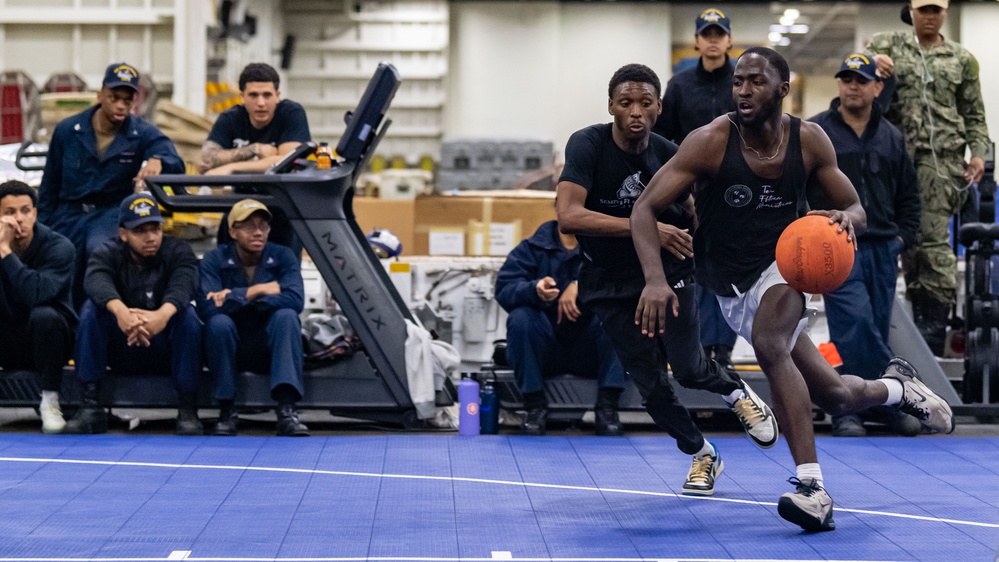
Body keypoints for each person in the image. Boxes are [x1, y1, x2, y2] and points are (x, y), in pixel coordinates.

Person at [631, 47, 954, 532]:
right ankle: (896, 387)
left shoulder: (809, 140)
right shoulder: (710, 141)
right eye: (737, 81)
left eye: (755, 82)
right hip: (728, 284)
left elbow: (856, 207)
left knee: (768, 344)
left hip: (787, 268)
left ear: (783, 89)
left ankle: (812, 488)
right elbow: (642, 210)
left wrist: (847, 218)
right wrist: (655, 279)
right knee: (837, 397)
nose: (742, 90)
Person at [556, 63, 779, 497]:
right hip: (609, 280)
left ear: (659, 107)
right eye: (625, 104)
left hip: (668, 273)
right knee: (652, 388)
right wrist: (644, 226)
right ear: (611, 108)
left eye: (644, 103)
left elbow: (697, 213)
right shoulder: (587, 144)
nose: (635, 112)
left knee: (691, 369)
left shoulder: (671, 153)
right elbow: (568, 216)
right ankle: (702, 454)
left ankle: (736, 392)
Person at [809, 53, 923, 438]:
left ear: (878, 87)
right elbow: (799, 190)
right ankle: (892, 398)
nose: (852, 86)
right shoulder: (817, 132)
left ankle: (854, 408)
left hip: (882, 248)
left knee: (870, 326)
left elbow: (909, 195)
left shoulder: (891, 135)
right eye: (846, 79)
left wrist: (901, 239)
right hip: (837, 244)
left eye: (861, 80)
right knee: (854, 321)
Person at [868, 0, 991, 355]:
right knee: (902, 244)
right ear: (911, 12)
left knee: (934, 248)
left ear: (946, 13)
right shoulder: (887, 45)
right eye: (924, 10)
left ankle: (932, 339)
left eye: (936, 10)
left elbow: (973, 113)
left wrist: (981, 153)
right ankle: (895, 338)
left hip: (941, 166)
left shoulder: (962, 59)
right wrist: (875, 66)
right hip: (892, 164)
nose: (930, 17)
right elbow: (860, 77)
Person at [37, 62, 185, 308]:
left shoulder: (141, 133)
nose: (121, 105)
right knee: (59, 258)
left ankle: (97, 320)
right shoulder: (67, 130)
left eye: (127, 100)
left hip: (109, 213)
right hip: (68, 212)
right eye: (114, 97)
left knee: (100, 252)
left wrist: (158, 160)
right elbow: (49, 185)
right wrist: (41, 227)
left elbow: (174, 161)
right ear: (100, 95)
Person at [64, 193, 203, 436]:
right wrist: (122, 314)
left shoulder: (178, 250)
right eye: (140, 231)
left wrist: (161, 316)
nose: (151, 237)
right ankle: (90, 405)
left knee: (187, 315)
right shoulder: (106, 252)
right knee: (90, 311)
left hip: (164, 347)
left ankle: (188, 407)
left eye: (155, 229)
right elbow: (95, 281)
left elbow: (184, 285)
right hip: (122, 345)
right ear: (123, 234)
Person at [653, 7, 739, 370]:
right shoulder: (680, 86)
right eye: (708, 34)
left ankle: (725, 350)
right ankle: (701, 349)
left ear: (730, 40)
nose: (714, 40)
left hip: (738, 190)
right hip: (692, 194)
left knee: (732, 270)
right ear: (697, 41)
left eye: (720, 34)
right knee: (697, 268)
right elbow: (664, 138)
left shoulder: (743, 82)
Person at [495, 219, 627, 436]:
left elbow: (623, 285)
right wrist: (534, 289)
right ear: (559, 208)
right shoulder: (531, 249)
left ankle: (607, 407)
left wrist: (579, 285)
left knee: (617, 317)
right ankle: (534, 406)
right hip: (546, 352)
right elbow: (504, 288)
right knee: (520, 319)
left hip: (589, 352)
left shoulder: (605, 249)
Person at [198, 199, 309, 437]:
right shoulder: (214, 260)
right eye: (249, 226)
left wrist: (234, 298)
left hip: (269, 344)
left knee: (287, 317)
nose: (258, 232)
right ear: (232, 232)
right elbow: (207, 308)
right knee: (218, 324)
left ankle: (287, 410)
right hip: (230, 345)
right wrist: (257, 291)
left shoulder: (283, 256)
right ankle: (227, 411)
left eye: (263, 226)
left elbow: (294, 301)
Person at [200, 62, 311, 255]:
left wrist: (232, 168)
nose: (261, 103)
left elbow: (287, 161)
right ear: (242, 96)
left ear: (277, 95)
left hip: (281, 211)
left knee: (283, 278)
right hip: (238, 211)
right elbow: (206, 161)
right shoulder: (231, 118)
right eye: (253, 95)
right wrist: (254, 149)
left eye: (267, 95)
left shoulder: (291, 113)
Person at [0, 180, 76, 434]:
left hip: (49, 341)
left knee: (44, 315)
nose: (18, 219)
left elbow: (37, 293)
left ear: (35, 213)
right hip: (8, 339)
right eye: (9, 212)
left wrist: (4, 252)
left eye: (25, 210)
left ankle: (50, 402)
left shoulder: (59, 247)